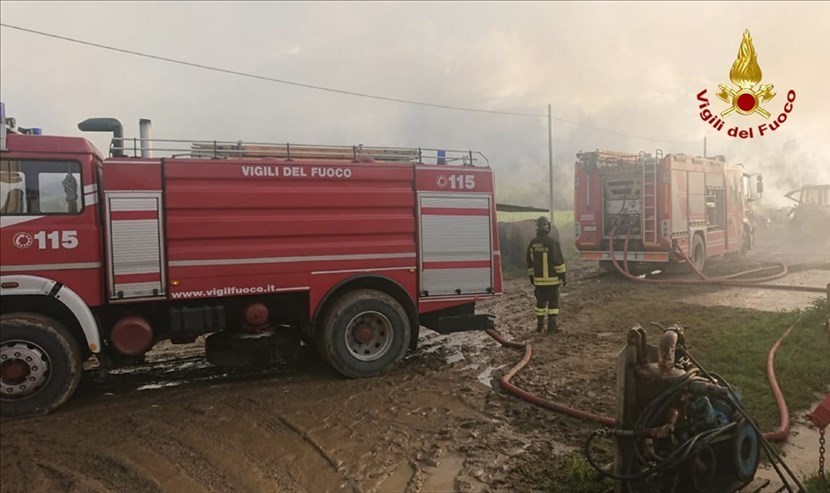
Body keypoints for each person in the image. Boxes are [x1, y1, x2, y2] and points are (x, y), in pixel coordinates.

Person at [526, 216, 566, 333]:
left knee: (540, 304)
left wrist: (532, 277)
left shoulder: (533, 243)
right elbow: (558, 261)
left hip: (538, 282)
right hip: (553, 281)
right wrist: (563, 276)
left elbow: (530, 262)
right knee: (553, 303)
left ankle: (539, 326)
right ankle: (552, 326)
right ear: (547, 227)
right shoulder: (552, 242)